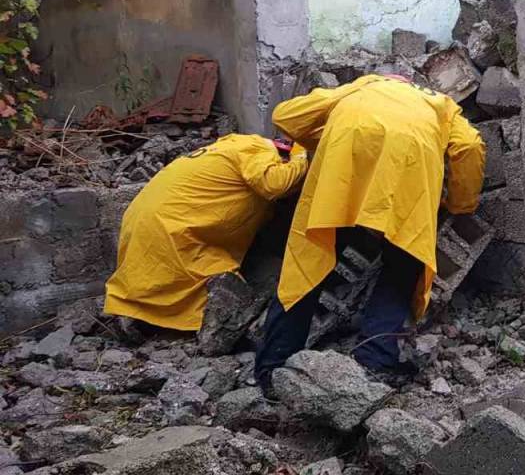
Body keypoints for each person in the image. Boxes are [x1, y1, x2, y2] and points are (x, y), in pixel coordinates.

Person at [253, 73, 486, 388]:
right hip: (405, 172)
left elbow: (286, 115)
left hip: (344, 164)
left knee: (309, 259)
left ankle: (273, 368)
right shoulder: (441, 104)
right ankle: (373, 361)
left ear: (391, 79)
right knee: (403, 262)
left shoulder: (364, 86)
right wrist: (460, 204)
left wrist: (324, 141)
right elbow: (470, 145)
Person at [105, 135, 309, 332]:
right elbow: (276, 183)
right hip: (172, 227)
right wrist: (302, 155)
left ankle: (136, 314)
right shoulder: (259, 150)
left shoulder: (231, 146)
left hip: (147, 218)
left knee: (155, 278)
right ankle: (212, 331)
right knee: (216, 287)